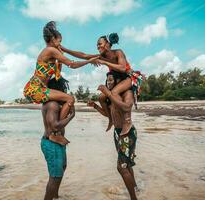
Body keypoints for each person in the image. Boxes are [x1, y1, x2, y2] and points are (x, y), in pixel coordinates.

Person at [61, 33, 143, 135]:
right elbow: (83, 55)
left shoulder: (118, 52)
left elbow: (122, 68)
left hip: (127, 77)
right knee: (101, 97)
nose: (98, 46)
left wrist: (105, 62)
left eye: (100, 44)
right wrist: (64, 49)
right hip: (116, 78)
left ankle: (127, 121)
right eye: (97, 45)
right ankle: (110, 119)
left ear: (108, 44)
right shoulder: (101, 56)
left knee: (114, 92)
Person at [23, 21, 98, 122]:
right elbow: (72, 64)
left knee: (63, 103)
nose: (60, 44)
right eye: (60, 41)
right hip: (34, 89)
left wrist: (97, 56)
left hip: (37, 88)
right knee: (70, 99)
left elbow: (80, 55)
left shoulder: (53, 50)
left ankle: (55, 129)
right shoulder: (51, 50)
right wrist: (89, 61)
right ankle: (56, 131)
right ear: (53, 39)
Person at [88, 71, 138, 200]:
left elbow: (127, 107)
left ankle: (134, 198)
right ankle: (136, 189)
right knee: (127, 164)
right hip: (117, 132)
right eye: (107, 81)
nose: (108, 82)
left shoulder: (127, 93)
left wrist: (108, 92)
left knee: (121, 167)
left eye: (111, 80)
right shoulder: (111, 97)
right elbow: (108, 114)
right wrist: (95, 106)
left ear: (118, 82)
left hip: (127, 133)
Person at [41, 77, 75, 200]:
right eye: (64, 89)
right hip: (51, 143)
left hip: (56, 142)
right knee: (55, 176)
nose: (65, 91)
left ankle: (54, 196)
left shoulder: (54, 104)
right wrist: (72, 116)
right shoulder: (52, 104)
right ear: (58, 89)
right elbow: (55, 126)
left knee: (62, 168)